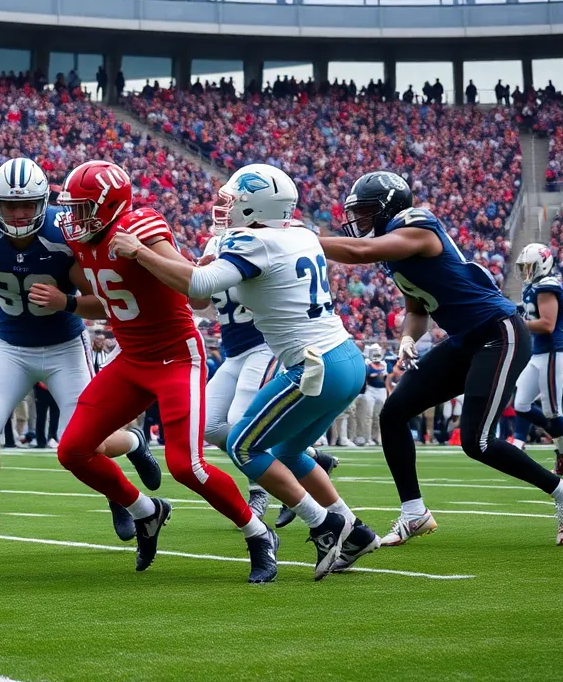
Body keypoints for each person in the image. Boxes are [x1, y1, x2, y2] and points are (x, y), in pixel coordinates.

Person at [114, 163, 379, 578]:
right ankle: (355, 531)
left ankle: (326, 525)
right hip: (345, 357)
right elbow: (209, 292)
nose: (225, 207)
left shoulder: (254, 241)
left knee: (242, 447)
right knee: (288, 452)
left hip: (314, 365)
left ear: (255, 206)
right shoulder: (300, 233)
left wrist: (140, 252)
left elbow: (199, 286)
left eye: (233, 200)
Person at [317, 171, 563, 547]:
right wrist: (408, 339)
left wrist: (303, 240)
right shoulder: (393, 249)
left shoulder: (416, 225)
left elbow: (361, 252)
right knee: (393, 414)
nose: (359, 219)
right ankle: (414, 513)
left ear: (389, 208)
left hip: (499, 332)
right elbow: (417, 308)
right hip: (466, 339)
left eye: (365, 210)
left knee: (477, 441)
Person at [51, 160, 276, 582]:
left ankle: (257, 533)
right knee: (73, 451)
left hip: (176, 357)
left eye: (82, 208)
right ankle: (146, 511)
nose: (73, 218)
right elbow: (113, 301)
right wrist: (66, 302)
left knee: (186, 466)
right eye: (72, 208)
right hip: (131, 358)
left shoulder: (141, 225)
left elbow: (195, 287)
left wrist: (142, 251)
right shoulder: (81, 242)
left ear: (108, 205)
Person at [0, 158, 159, 549]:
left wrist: (66, 301)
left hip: (65, 346)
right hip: (10, 346)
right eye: (9, 205)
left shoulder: (64, 231)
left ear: (42, 202)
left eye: (27, 205)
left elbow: (106, 302)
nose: (18, 214)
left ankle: (128, 458)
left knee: (85, 442)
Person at [193, 231, 280, 520]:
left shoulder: (257, 246)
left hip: (262, 347)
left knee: (239, 421)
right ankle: (301, 459)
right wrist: (201, 274)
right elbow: (198, 303)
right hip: (233, 354)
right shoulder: (214, 246)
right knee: (208, 425)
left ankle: (259, 489)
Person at [510, 244, 563, 472]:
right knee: (521, 404)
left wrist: (517, 323)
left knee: (552, 410)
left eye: (530, 267)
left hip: (553, 351)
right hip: (539, 352)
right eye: (524, 267)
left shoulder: (547, 285)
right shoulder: (533, 286)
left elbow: (547, 325)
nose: (526, 272)